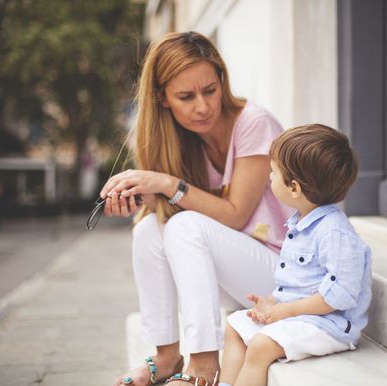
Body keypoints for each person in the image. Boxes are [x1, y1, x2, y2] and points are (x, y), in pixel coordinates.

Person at [100, 31, 292, 386]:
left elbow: (235, 214)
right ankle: (166, 355)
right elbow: (168, 224)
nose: (202, 106)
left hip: (286, 275)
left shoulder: (254, 123)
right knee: (148, 229)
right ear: (162, 98)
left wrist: (168, 185)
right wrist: (141, 201)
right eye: (186, 97)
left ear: (222, 81)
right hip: (241, 273)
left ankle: (204, 364)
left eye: (210, 90)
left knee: (185, 226)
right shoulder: (175, 140)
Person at [218, 124, 372, 386]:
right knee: (234, 326)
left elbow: (340, 296)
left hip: (329, 326)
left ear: (294, 188)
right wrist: (272, 304)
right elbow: (298, 282)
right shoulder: (300, 224)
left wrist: (286, 311)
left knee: (260, 345)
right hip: (299, 316)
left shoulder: (335, 233)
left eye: (273, 172)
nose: (269, 177)